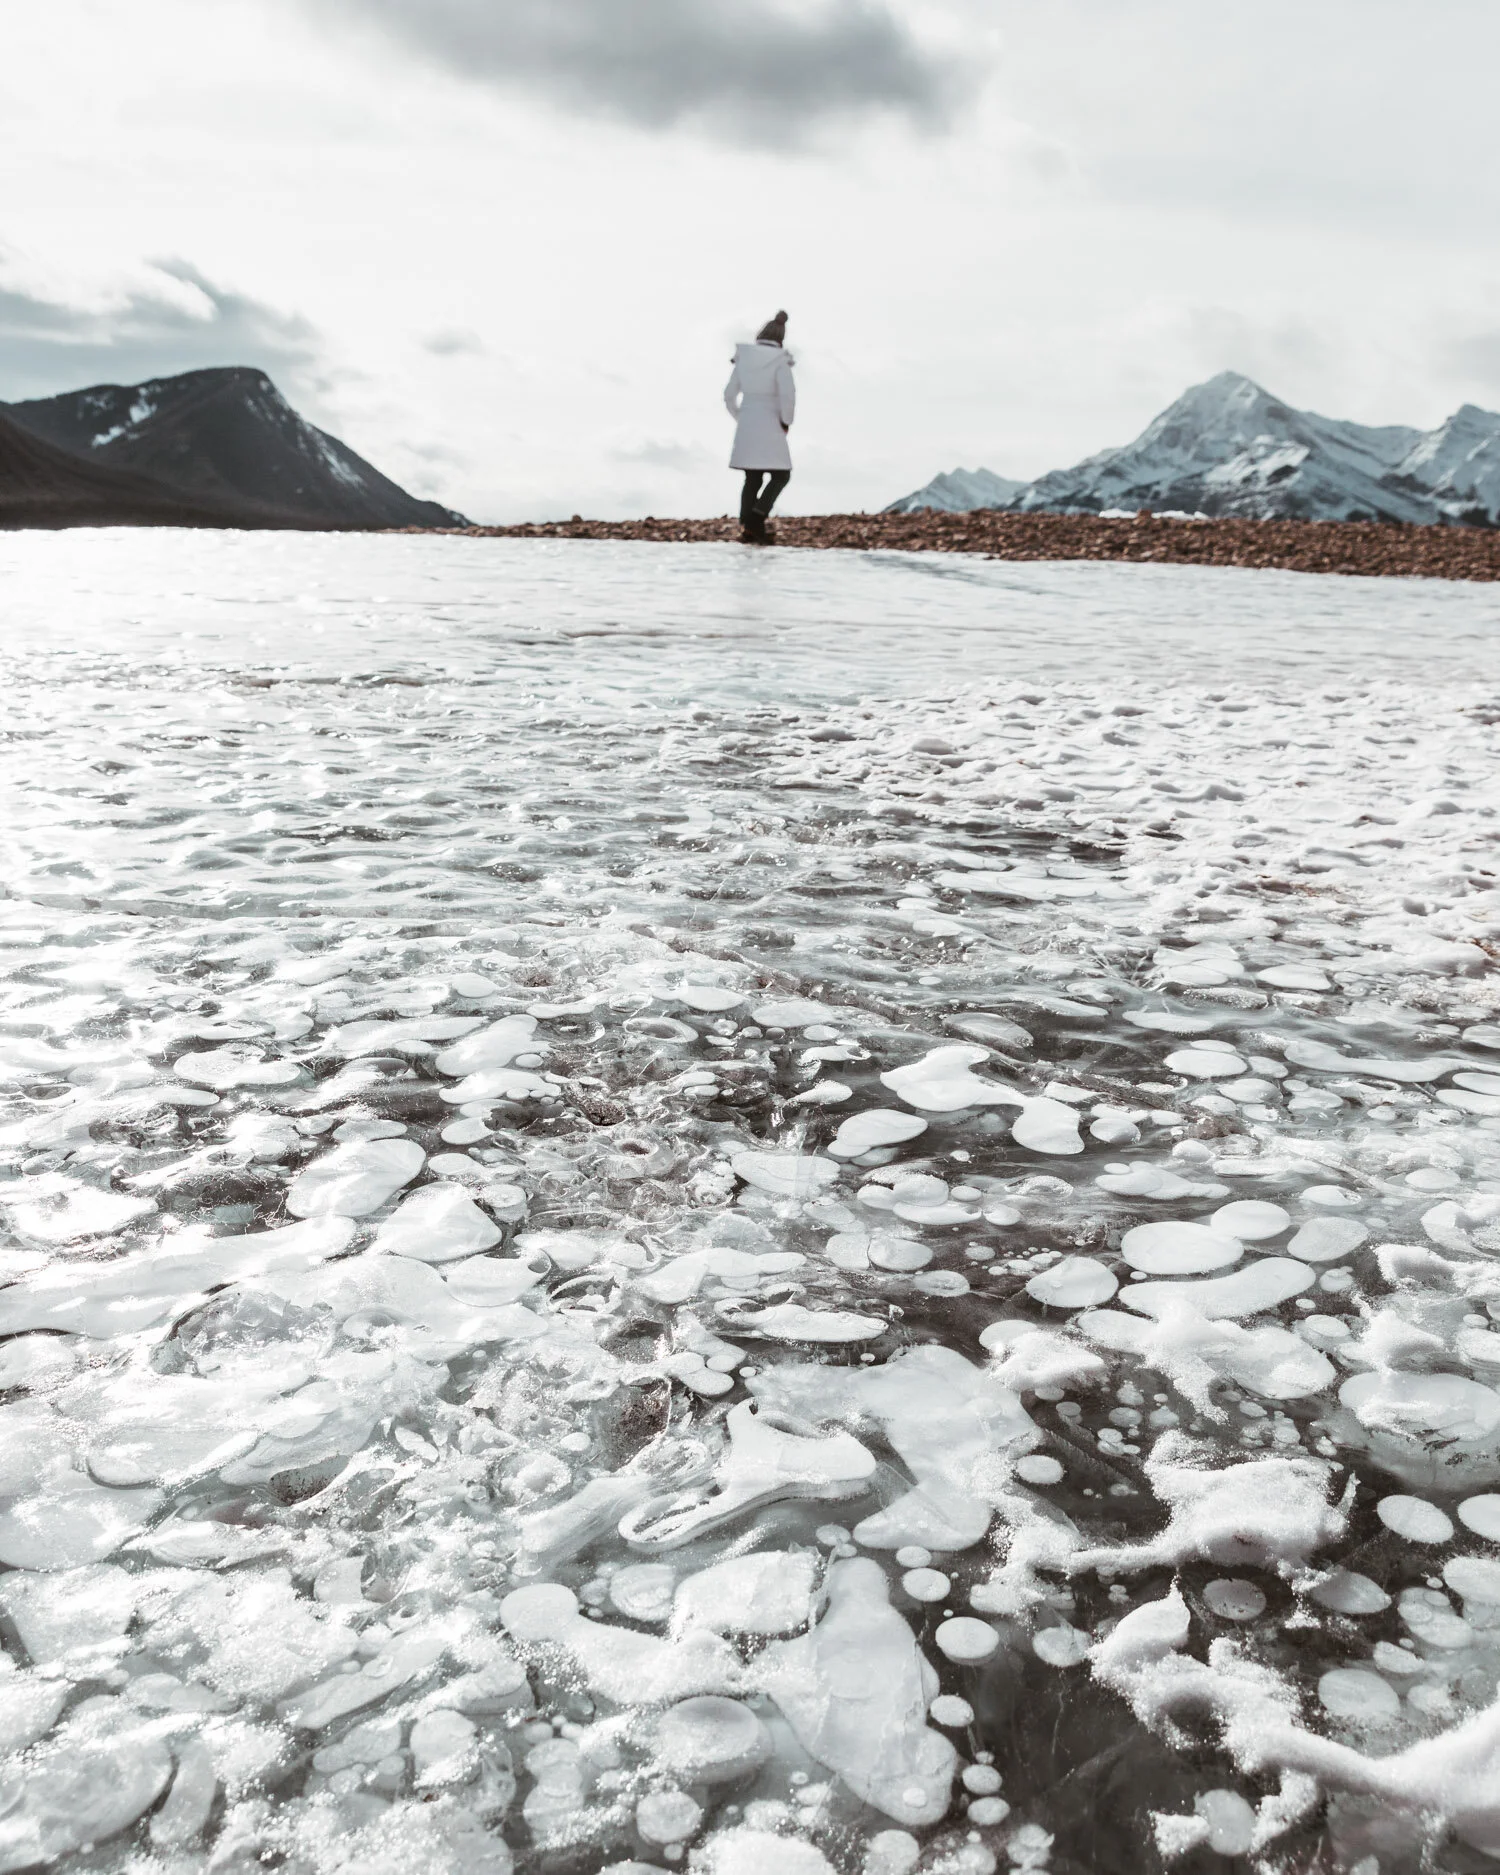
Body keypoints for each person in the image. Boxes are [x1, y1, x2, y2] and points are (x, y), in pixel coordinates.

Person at [724, 311, 795, 542]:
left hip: (748, 420)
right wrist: (786, 421)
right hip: (771, 421)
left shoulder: (743, 359)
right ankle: (757, 518)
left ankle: (747, 526)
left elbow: (728, 396)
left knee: (752, 477)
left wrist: (741, 417)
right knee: (781, 475)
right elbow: (787, 395)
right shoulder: (780, 361)